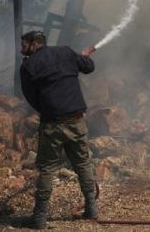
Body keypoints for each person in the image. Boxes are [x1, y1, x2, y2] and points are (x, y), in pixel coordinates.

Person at [19, 30, 98, 229]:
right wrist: (83, 57)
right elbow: (89, 67)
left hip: (51, 123)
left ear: (34, 44)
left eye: (24, 44)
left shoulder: (28, 66)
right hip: (76, 119)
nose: (21, 49)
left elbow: (31, 97)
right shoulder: (66, 52)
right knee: (83, 163)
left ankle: (39, 218)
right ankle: (91, 209)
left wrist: (49, 110)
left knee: (47, 168)